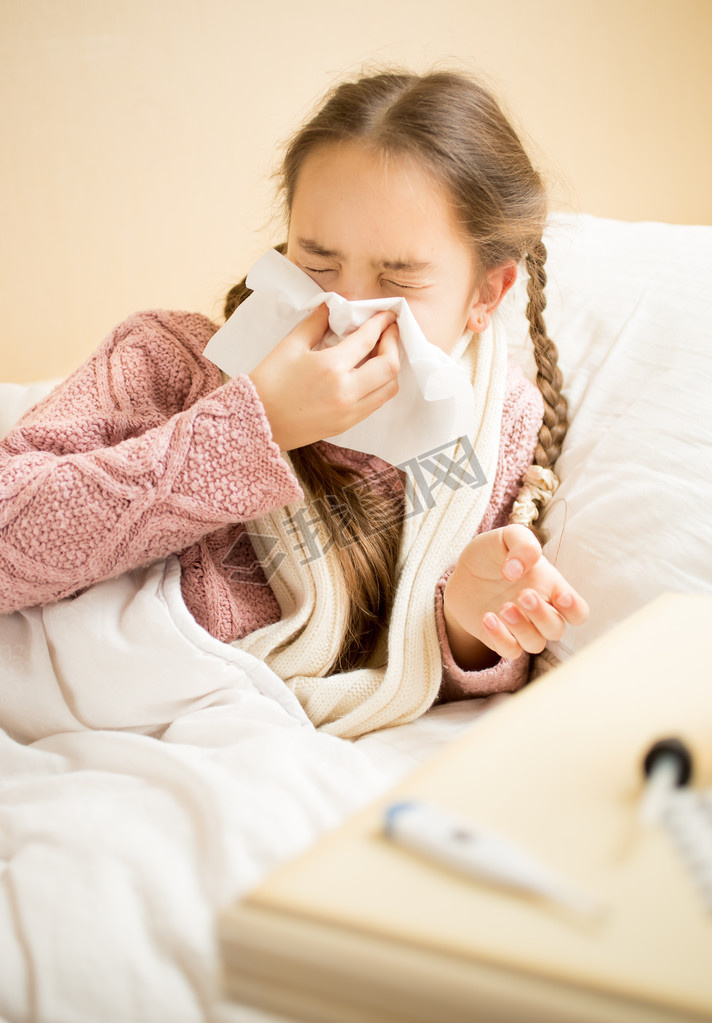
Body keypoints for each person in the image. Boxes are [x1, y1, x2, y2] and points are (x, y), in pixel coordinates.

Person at [0, 69, 588, 739]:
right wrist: (256, 427)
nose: (346, 310)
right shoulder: (170, 361)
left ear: (487, 294)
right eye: (317, 262)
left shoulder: (490, 426)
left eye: (398, 280)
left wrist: (466, 620)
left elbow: (420, 670)